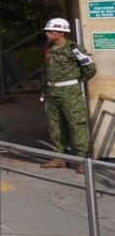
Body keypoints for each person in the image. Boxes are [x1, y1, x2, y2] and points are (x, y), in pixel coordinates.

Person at [40, 18, 96, 173]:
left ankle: (84, 161)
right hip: (52, 93)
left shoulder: (73, 48)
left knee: (76, 125)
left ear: (62, 32)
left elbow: (90, 68)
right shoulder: (48, 49)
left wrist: (77, 82)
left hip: (70, 93)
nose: (48, 33)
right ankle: (59, 159)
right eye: (48, 30)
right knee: (55, 126)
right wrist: (44, 90)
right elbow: (45, 72)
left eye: (51, 31)